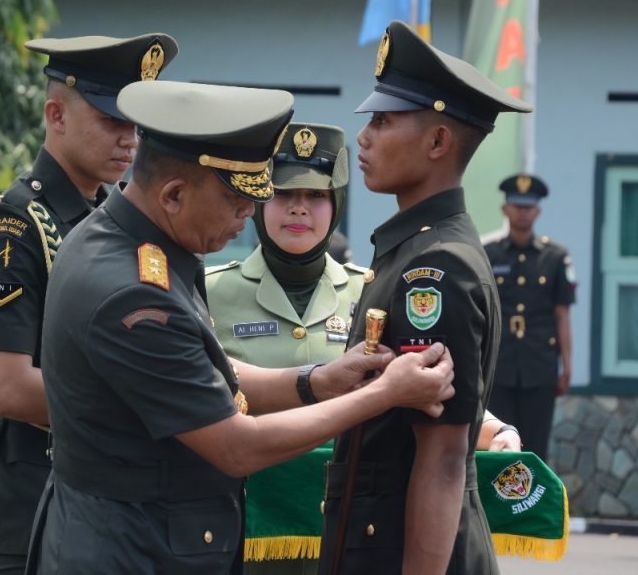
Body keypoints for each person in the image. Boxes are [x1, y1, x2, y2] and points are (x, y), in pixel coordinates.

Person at [36, 80, 458, 574]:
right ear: (173, 194)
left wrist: (316, 381)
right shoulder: (134, 295)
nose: (246, 218)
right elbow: (238, 446)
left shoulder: (127, 238)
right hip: (133, 551)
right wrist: (382, 395)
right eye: (237, 203)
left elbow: (203, 368)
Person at [207, 123, 522, 574]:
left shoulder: (369, 289)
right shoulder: (209, 290)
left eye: (316, 197)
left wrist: (491, 428)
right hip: (242, 533)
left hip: (345, 530)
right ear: (259, 199)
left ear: (336, 206)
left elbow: (426, 375)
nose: (299, 209)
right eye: (283, 194)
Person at [0, 33, 178, 575]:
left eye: (136, 126)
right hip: (28, 506)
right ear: (56, 114)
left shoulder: (121, 225)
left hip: (108, 506)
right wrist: (158, 415)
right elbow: (5, 389)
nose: (129, 141)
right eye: (111, 121)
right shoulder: (12, 224)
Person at [317, 20, 532, 575]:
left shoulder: (435, 268)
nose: (362, 137)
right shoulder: (412, 249)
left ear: (438, 141)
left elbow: (442, 459)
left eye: (383, 122)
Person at [483, 174, 575, 460]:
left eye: (528, 207)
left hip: (540, 365)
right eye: (517, 206)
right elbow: (482, 312)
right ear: (505, 209)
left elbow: (562, 314)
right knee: (498, 445)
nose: (522, 212)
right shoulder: (488, 253)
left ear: (538, 211)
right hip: (500, 365)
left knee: (535, 445)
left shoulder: (555, 256)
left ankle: (534, 504)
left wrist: (567, 366)